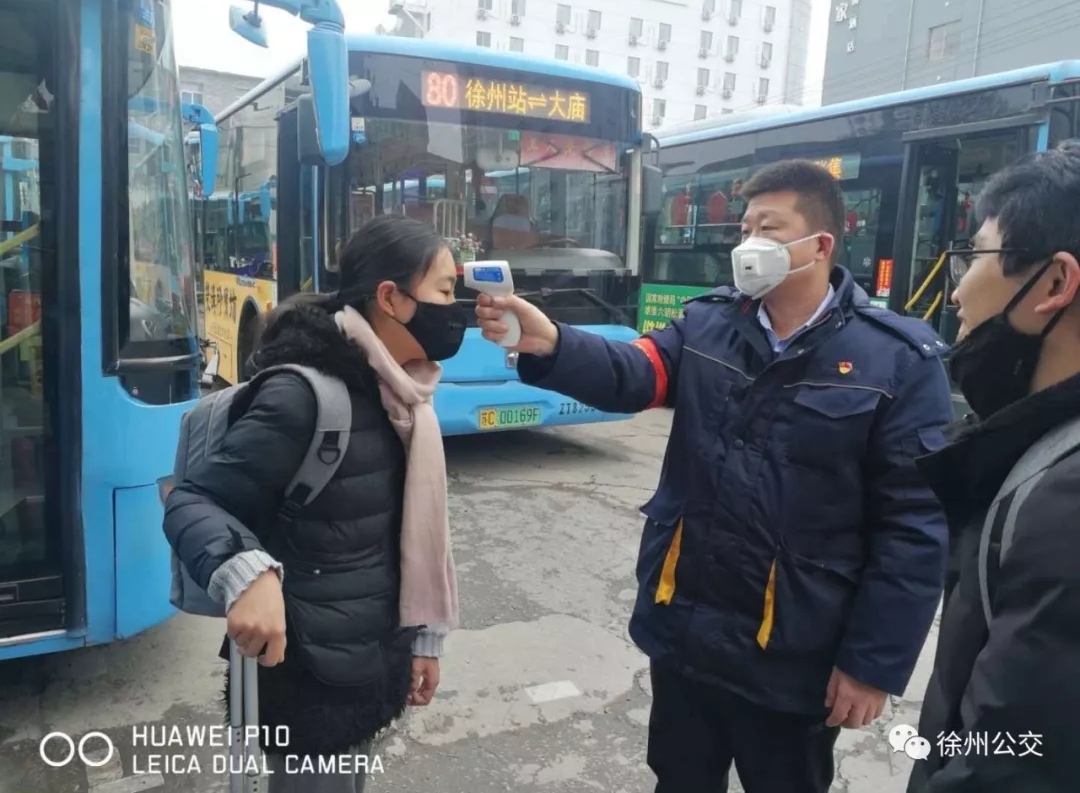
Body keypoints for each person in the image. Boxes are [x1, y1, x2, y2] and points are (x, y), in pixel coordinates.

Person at [476, 159, 954, 793]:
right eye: (745, 227)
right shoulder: (708, 323)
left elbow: (914, 526)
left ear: (819, 246)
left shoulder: (896, 360)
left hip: (794, 650)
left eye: (769, 228)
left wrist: (872, 664)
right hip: (688, 629)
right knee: (679, 778)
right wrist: (553, 343)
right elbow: (634, 374)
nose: (748, 243)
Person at [164, 214, 463, 793]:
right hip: (306, 676)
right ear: (391, 298)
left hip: (371, 661)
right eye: (446, 291)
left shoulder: (400, 391)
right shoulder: (304, 396)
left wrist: (424, 640)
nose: (457, 310)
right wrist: (246, 571)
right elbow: (194, 500)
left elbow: (401, 538)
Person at [907, 142, 1080, 792]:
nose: (956, 290)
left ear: (1055, 284)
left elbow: (1009, 761)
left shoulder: (1064, 497)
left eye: (974, 256)